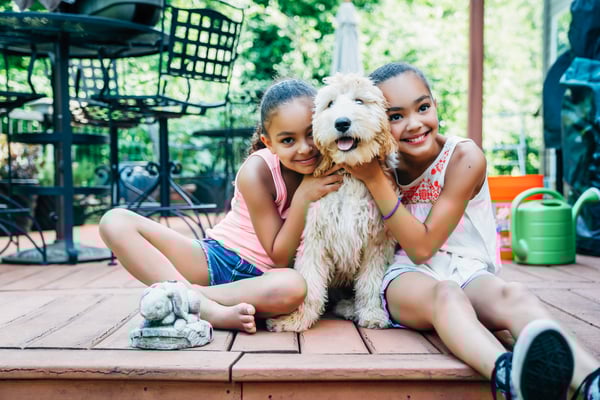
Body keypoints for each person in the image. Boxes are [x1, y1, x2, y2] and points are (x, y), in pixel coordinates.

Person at [342, 61, 600, 400]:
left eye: (423, 107)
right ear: (377, 123)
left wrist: (375, 182)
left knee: (515, 294)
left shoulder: (463, 157)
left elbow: (425, 244)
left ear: (435, 104)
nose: (415, 124)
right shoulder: (376, 162)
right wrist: (375, 176)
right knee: (446, 294)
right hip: (404, 275)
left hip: (467, 267)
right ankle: (508, 377)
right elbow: (415, 256)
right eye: (395, 116)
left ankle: (591, 383)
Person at [99, 78, 344, 334]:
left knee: (294, 287)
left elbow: (284, 265)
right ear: (268, 142)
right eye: (287, 140)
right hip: (217, 259)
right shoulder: (257, 171)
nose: (304, 149)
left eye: (310, 134)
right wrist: (303, 197)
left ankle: (189, 297)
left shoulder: (334, 165)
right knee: (115, 221)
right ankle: (206, 307)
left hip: (266, 281)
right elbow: (279, 255)